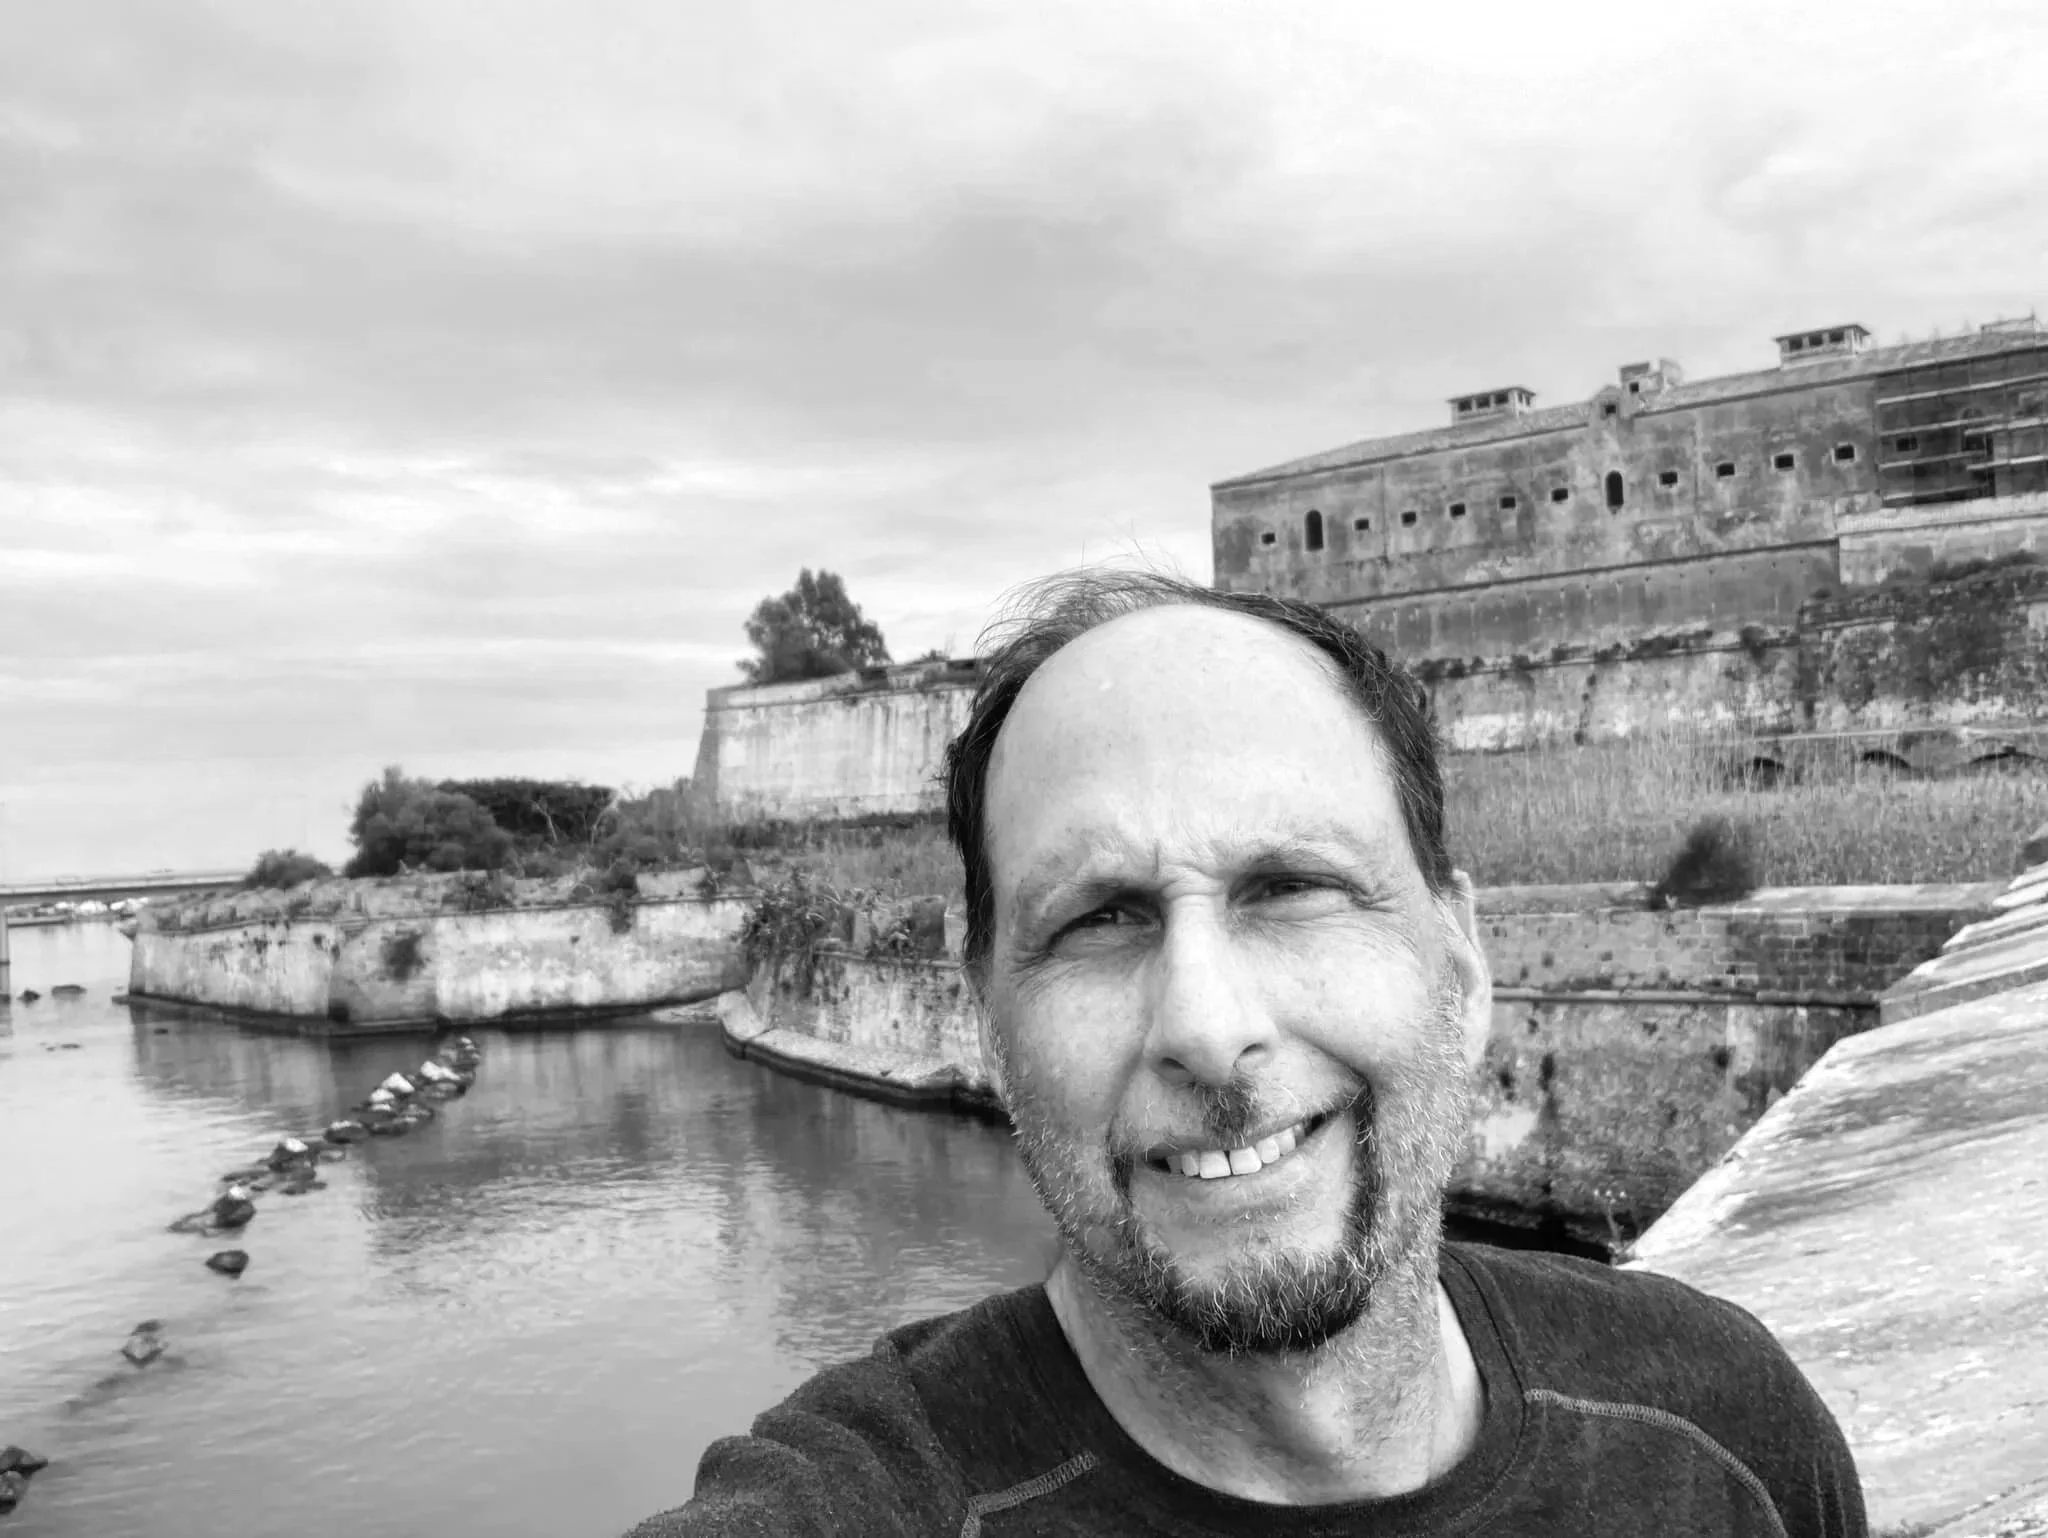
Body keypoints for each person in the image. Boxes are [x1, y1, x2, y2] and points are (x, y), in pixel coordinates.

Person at [627, 570, 1866, 1536]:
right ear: (986, 1018)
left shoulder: (1727, 1425)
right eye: (1098, 917)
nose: (1207, 1027)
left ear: (1462, 959)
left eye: (1289, 886)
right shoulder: (860, 1500)